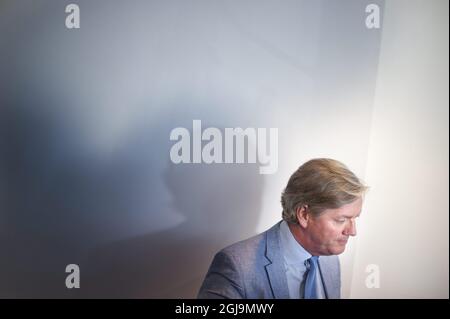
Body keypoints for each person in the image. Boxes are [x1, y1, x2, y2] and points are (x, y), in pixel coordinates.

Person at [197, 158, 368, 299]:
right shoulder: (237, 265)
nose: (352, 231)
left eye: (355, 218)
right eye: (341, 220)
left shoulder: (330, 260)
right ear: (304, 214)